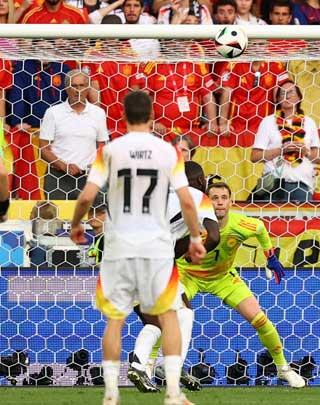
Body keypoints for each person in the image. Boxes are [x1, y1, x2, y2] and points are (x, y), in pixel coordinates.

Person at [69, 90, 206, 405]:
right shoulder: (168, 151)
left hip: (119, 245)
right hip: (157, 247)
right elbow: (187, 200)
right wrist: (196, 238)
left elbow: (88, 196)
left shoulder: (111, 150)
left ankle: (110, 395)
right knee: (170, 315)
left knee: (115, 319)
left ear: (123, 116)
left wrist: (77, 224)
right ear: (153, 116)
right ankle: (173, 393)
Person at [174, 181, 306, 388]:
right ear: (207, 202)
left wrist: (270, 257)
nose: (219, 203)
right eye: (214, 198)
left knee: (260, 320)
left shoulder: (241, 224)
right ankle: (149, 365)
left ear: (231, 201)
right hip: (188, 274)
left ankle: (283, 369)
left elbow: (261, 229)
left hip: (223, 278)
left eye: (223, 198)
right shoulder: (192, 222)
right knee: (171, 316)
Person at [127, 161, 220, 394]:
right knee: (177, 316)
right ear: (199, 181)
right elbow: (215, 236)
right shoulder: (197, 196)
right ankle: (168, 367)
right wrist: (198, 249)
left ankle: (145, 365)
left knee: (171, 315)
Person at [39, 70, 109, 200]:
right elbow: (43, 148)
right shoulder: (53, 113)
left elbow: (102, 145)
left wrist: (97, 164)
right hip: (58, 177)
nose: (78, 90)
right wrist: (63, 166)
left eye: (82, 86)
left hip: (88, 178)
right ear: (66, 88)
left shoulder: (98, 113)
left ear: (88, 88)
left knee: (93, 218)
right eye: (74, 86)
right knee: (57, 218)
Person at [250, 80, 320, 202]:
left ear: (299, 97)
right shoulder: (268, 122)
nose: (286, 95)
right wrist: (281, 150)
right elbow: (255, 156)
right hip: (274, 184)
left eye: (291, 92)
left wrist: (305, 151)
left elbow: (318, 158)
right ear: (277, 99)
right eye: (282, 93)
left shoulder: (309, 122)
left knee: (301, 220)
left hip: (301, 184)